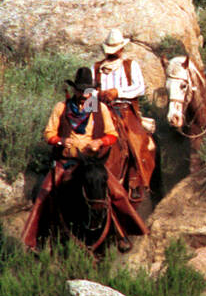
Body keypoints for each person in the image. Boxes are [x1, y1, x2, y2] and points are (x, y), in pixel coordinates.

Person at [22, 67, 145, 251]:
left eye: (87, 91)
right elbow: (48, 134)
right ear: (74, 90)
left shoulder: (100, 109)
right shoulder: (61, 107)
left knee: (117, 193)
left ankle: (123, 233)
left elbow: (112, 135)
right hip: (66, 162)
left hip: (92, 163)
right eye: (80, 90)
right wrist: (60, 140)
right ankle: (36, 238)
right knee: (45, 191)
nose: (84, 95)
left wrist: (100, 141)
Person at [92, 29, 156, 202]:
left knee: (136, 141)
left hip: (124, 110)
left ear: (121, 49)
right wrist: (95, 99)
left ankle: (135, 181)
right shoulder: (96, 68)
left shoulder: (130, 65)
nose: (112, 54)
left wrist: (117, 92)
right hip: (101, 110)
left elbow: (139, 87)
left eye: (115, 50)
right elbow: (89, 91)